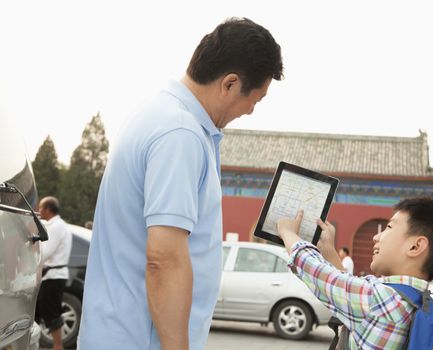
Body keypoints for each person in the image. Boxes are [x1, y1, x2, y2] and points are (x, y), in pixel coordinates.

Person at [77, 17, 283, 350]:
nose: (250, 111)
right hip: (140, 339)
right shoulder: (180, 134)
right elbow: (164, 258)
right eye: (254, 100)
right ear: (230, 84)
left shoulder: (156, 113)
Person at [277, 197, 433, 349]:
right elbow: (349, 288)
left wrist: (288, 233)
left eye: (389, 227)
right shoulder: (415, 302)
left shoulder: (380, 300)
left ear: (415, 246)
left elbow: (317, 272)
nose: (376, 237)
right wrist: (329, 252)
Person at [36, 196, 72, 350]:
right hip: (53, 276)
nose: (39, 211)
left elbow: (45, 251)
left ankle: (58, 347)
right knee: (41, 311)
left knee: (51, 314)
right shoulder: (57, 225)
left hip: (54, 277)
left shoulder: (56, 227)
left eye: (41, 208)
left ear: (48, 209)